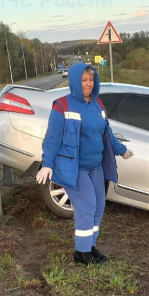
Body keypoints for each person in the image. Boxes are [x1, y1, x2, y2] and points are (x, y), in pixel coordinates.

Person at [36, 63, 133, 265]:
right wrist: (47, 163)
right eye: (83, 80)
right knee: (87, 206)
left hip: (96, 166)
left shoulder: (97, 105)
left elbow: (107, 134)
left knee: (98, 206)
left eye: (91, 80)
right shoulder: (62, 105)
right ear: (74, 81)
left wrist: (122, 150)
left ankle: (90, 246)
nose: (88, 84)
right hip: (75, 168)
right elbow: (52, 138)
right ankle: (80, 253)